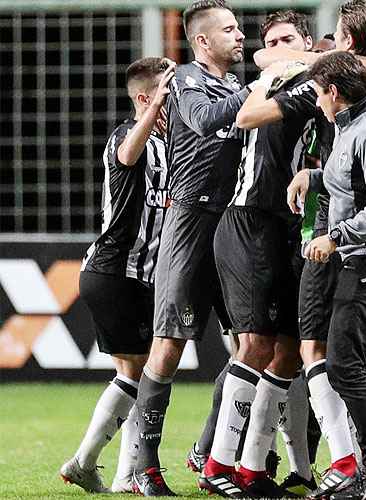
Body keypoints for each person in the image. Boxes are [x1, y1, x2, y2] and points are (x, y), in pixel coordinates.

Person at [198, 10, 319, 498]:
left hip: (291, 228)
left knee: (288, 351)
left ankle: (252, 469)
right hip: (248, 221)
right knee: (255, 346)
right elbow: (268, 57)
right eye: (271, 39)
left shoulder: (323, 87)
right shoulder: (273, 78)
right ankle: (216, 464)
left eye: (289, 37)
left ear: (308, 40)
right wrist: (292, 55)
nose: (275, 46)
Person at [288, 50, 366, 500]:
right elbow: (353, 180)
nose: (315, 101)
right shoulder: (351, 127)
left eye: (317, 93)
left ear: (334, 93)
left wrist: (336, 237)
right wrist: (315, 175)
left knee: (343, 366)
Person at [132, 1, 249, 495]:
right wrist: (263, 91)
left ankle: (208, 452)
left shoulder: (236, 87)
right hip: (190, 218)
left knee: (250, 346)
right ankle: (143, 466)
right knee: (170, 345)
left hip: (236, 222)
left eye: (239, 26)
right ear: (203, 41)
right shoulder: (184, 79)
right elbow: (203, 122)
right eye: (229, 29)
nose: (241, 35)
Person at [59, 57, 173, 495]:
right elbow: (128, 156)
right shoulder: (128, 135)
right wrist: (155, 105)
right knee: (141, 374)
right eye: (167, 95)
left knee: (137, 374)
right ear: (145, 98)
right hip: (115, 269)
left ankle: (120, 474)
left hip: (138, 275)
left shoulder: (172, 141)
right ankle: (88, 463)